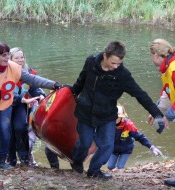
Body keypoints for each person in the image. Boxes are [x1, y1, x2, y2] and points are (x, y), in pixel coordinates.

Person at [70, 40, 166, 179]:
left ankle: (94, 171)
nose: (116, 66)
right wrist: (70, 94)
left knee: (107, 146)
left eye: (119, 64)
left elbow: (140, 94)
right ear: (105, 56)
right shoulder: (91, 62)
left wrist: (156, 114)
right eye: (113, 63)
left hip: (107, 115)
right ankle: (77, 162)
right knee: (84, 143)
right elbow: (80, 81)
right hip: (86, 111)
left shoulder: (122, 76)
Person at [0, 42, 63, 170]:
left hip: (4, 105)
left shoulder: (14, 68)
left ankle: (2, 162)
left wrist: (54, 84)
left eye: (7, 55)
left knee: (5, 132)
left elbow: (33, 80)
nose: (6, 58)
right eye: (3, 55)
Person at [8, 47, 46, 167]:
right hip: (6, 105)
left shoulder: (29, 72)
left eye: (22, 57)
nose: (20, 60)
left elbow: (35, 88)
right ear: (10, 59)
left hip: (21, 105)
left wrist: (41, 96)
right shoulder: (4, 72)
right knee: (9, 131)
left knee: (21, 128)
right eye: (16, 58)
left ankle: (24, 157)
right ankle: (11, 159)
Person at [149, 38, 175, 187]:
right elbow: (167, 93)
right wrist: (156, 112)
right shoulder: (167, 69)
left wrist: (169, 116)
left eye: (151, 55)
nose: (151, 59)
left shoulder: (173, 68)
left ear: (156, 55)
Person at [107, 104, 163, 170]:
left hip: (126, 149)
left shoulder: (128, 125)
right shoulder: (108, 124)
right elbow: (101, 136)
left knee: (120, 167)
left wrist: (151, 147)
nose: (115, 119)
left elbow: (140, 137)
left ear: (122, 117)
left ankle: (120, 177)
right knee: (110, 167)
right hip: (113, 149)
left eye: (117, 117)